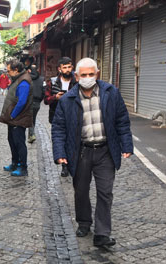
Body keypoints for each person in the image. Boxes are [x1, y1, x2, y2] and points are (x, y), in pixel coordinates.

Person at [51, 58, 133, 248]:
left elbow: (122, 120)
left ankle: (102, 233)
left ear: (97, 74)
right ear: (77, 76)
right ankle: (84, 222)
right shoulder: (67, 99)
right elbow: (58, 128)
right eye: (84, 75)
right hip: (80, 152)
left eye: (91, 74)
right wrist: (59, 152)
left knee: (105, 192)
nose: (88, 78)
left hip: (105, 151)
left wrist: (127, 145)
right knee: (81, 190)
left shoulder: (111, 93)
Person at [0, 59, 33, 177]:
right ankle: (14, 163)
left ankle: (23, 167)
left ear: (16, 70)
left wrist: (13, 115)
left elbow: (22, 101)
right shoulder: (17, 79)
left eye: (9, 71)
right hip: (13, 118)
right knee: (12, 141)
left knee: (19, 142)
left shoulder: (23, 81)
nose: (7, 73)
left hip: (19, 118)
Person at [44, 57, 76, 124]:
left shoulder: (76, 82)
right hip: (56, 117)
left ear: (72, 67)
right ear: (59, 69)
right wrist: (55, 97)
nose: (67, 70)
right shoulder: (53, 82)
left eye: (69, 67)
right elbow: (46, 100)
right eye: (64, 68)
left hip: (73, 116)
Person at [28, 64, 44, 143]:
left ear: (29, 70)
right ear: (37, 70)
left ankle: (32, 134)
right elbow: (44, 92)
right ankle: (30, 136)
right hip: (37, 102)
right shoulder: (42, 79)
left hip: (28, 101)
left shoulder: (27, 79)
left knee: (30, 119)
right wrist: (40, 100)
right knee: (33, 118)